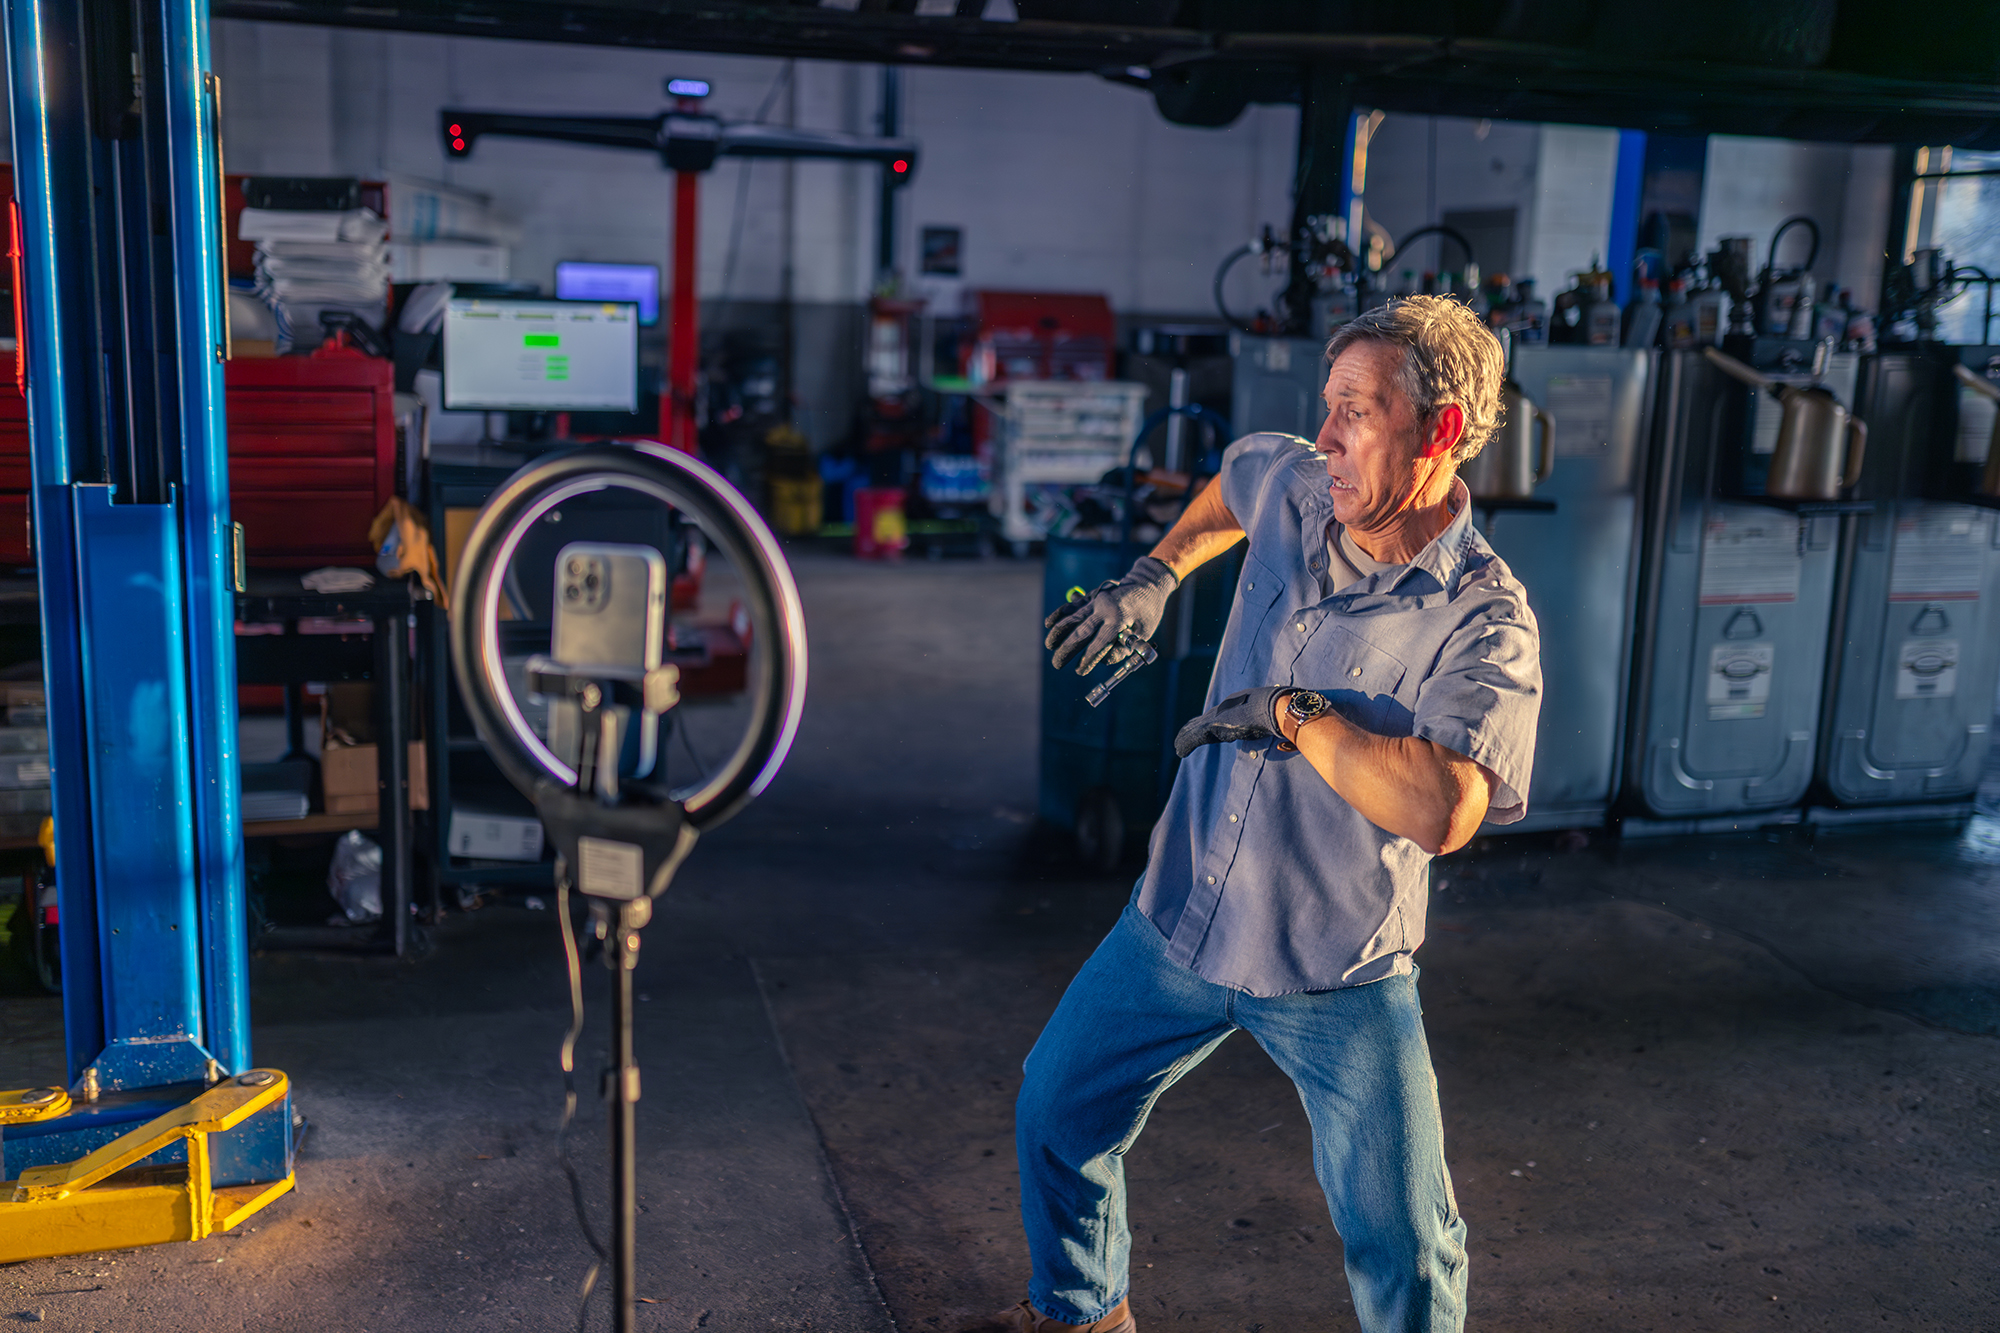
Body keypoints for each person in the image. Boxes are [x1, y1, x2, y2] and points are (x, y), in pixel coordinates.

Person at [995, 296, 1542, 1333]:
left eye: (1356, 411)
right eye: (1324, 406)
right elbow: (1231, 484)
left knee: (1405, 1244)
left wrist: (1296, 717)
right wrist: (1154, 577)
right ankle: (1081, 1314)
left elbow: (1444, 808)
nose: (1327, 437)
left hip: (1332, 967)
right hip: (1178, 920)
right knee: (1056, 1119)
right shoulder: (1300, 491)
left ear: (1437, 429)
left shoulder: (1482, 618)